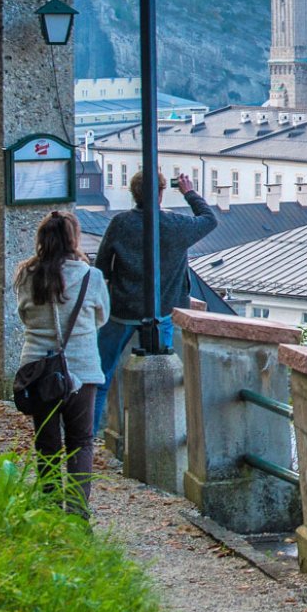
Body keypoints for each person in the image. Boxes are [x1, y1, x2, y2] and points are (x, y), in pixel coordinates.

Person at [92, 168, 218, 432]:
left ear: (133, 194)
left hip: (123, 309)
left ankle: (87, 435)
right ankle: (164, 432)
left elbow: (101, 266)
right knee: (164, 374)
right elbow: (209, 219)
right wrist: (189, 192)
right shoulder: (176, 225)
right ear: (161, 194)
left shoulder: (121, 223)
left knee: (99, 375)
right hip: (164, 310)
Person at [13, 210, 109, 516]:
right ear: (74, 239)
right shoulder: (90, 277)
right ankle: (78, 514)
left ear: (41, 239)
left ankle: (51, 510)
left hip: (38, 371)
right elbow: (102, 317)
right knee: (81, 442)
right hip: (81, 370)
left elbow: (24, 315)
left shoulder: (26, 275)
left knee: (48, 444)